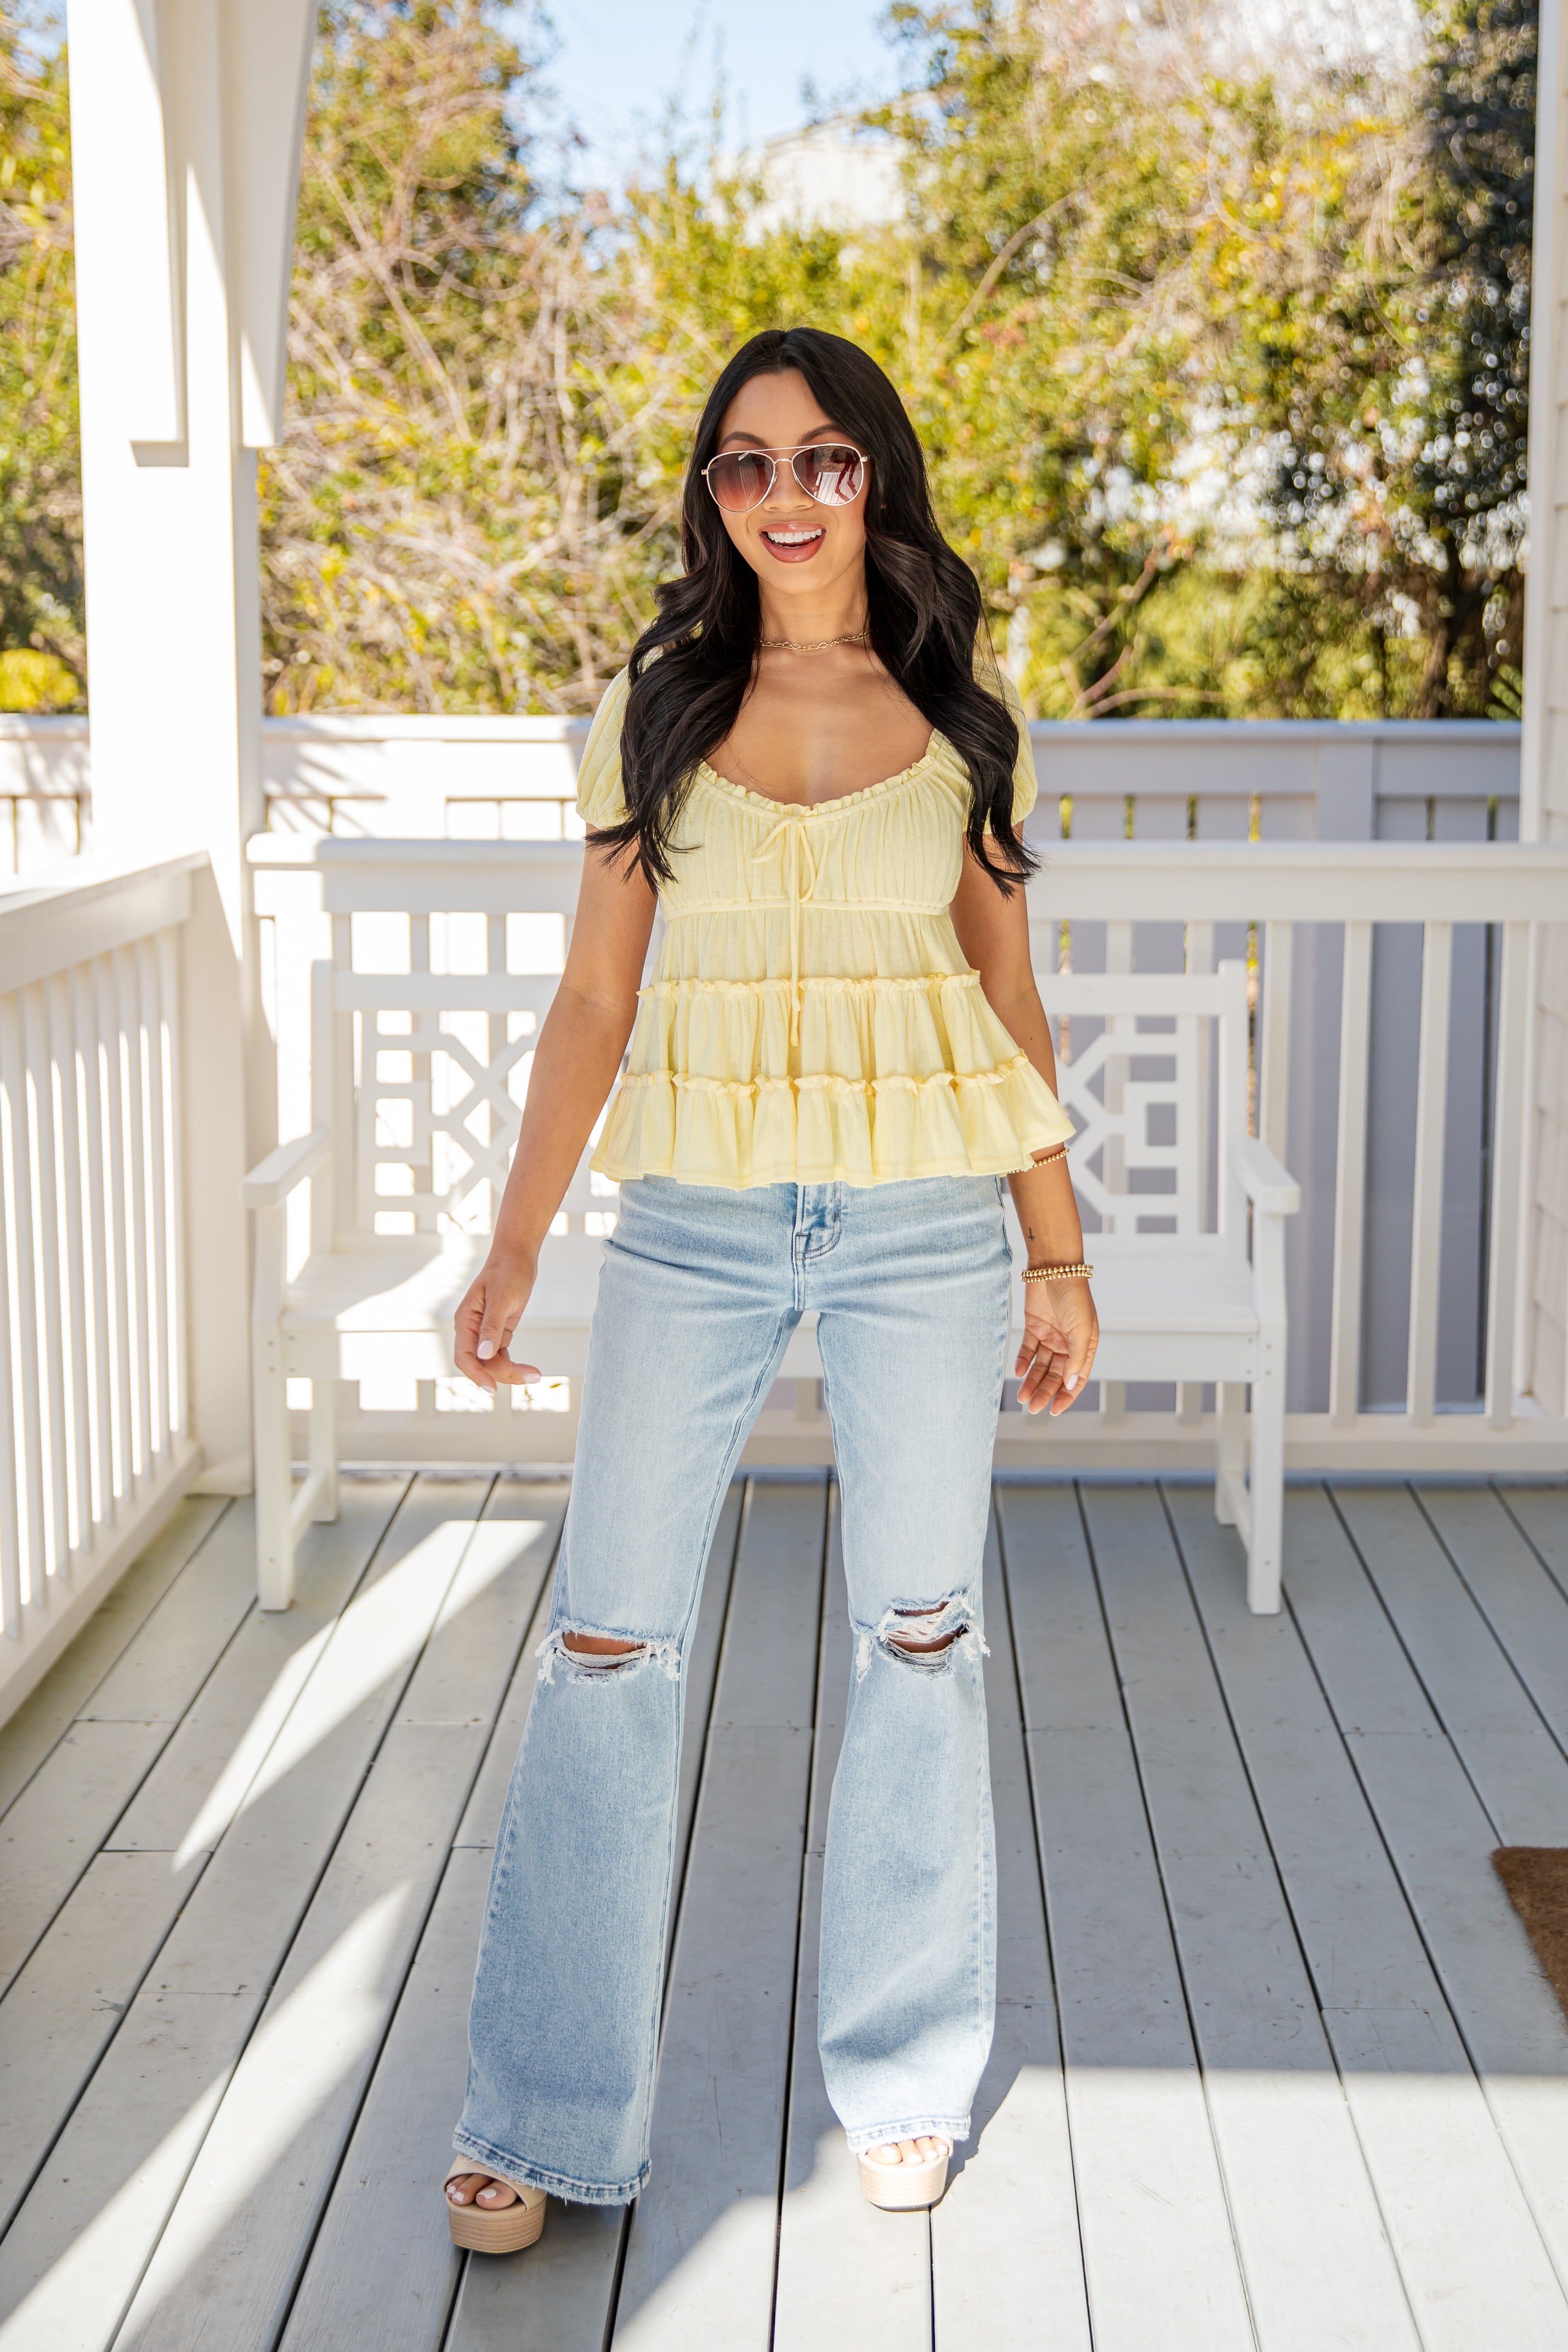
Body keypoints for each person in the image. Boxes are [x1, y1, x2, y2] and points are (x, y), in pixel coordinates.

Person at [441, 325, 1099, 2253]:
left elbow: (1005, 994)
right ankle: (544, 2115)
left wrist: (1057, 1252)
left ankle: (900, 2081)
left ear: (873, 476)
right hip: (696, 1224)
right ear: (711, 497)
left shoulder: (965, 723)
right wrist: (513, 1239)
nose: (784, 494)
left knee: (918, 1641)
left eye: (822, 458)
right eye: (744, 463)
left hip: (921, 1227)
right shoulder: (652, 711)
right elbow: (594, 997)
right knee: (606, 1646)